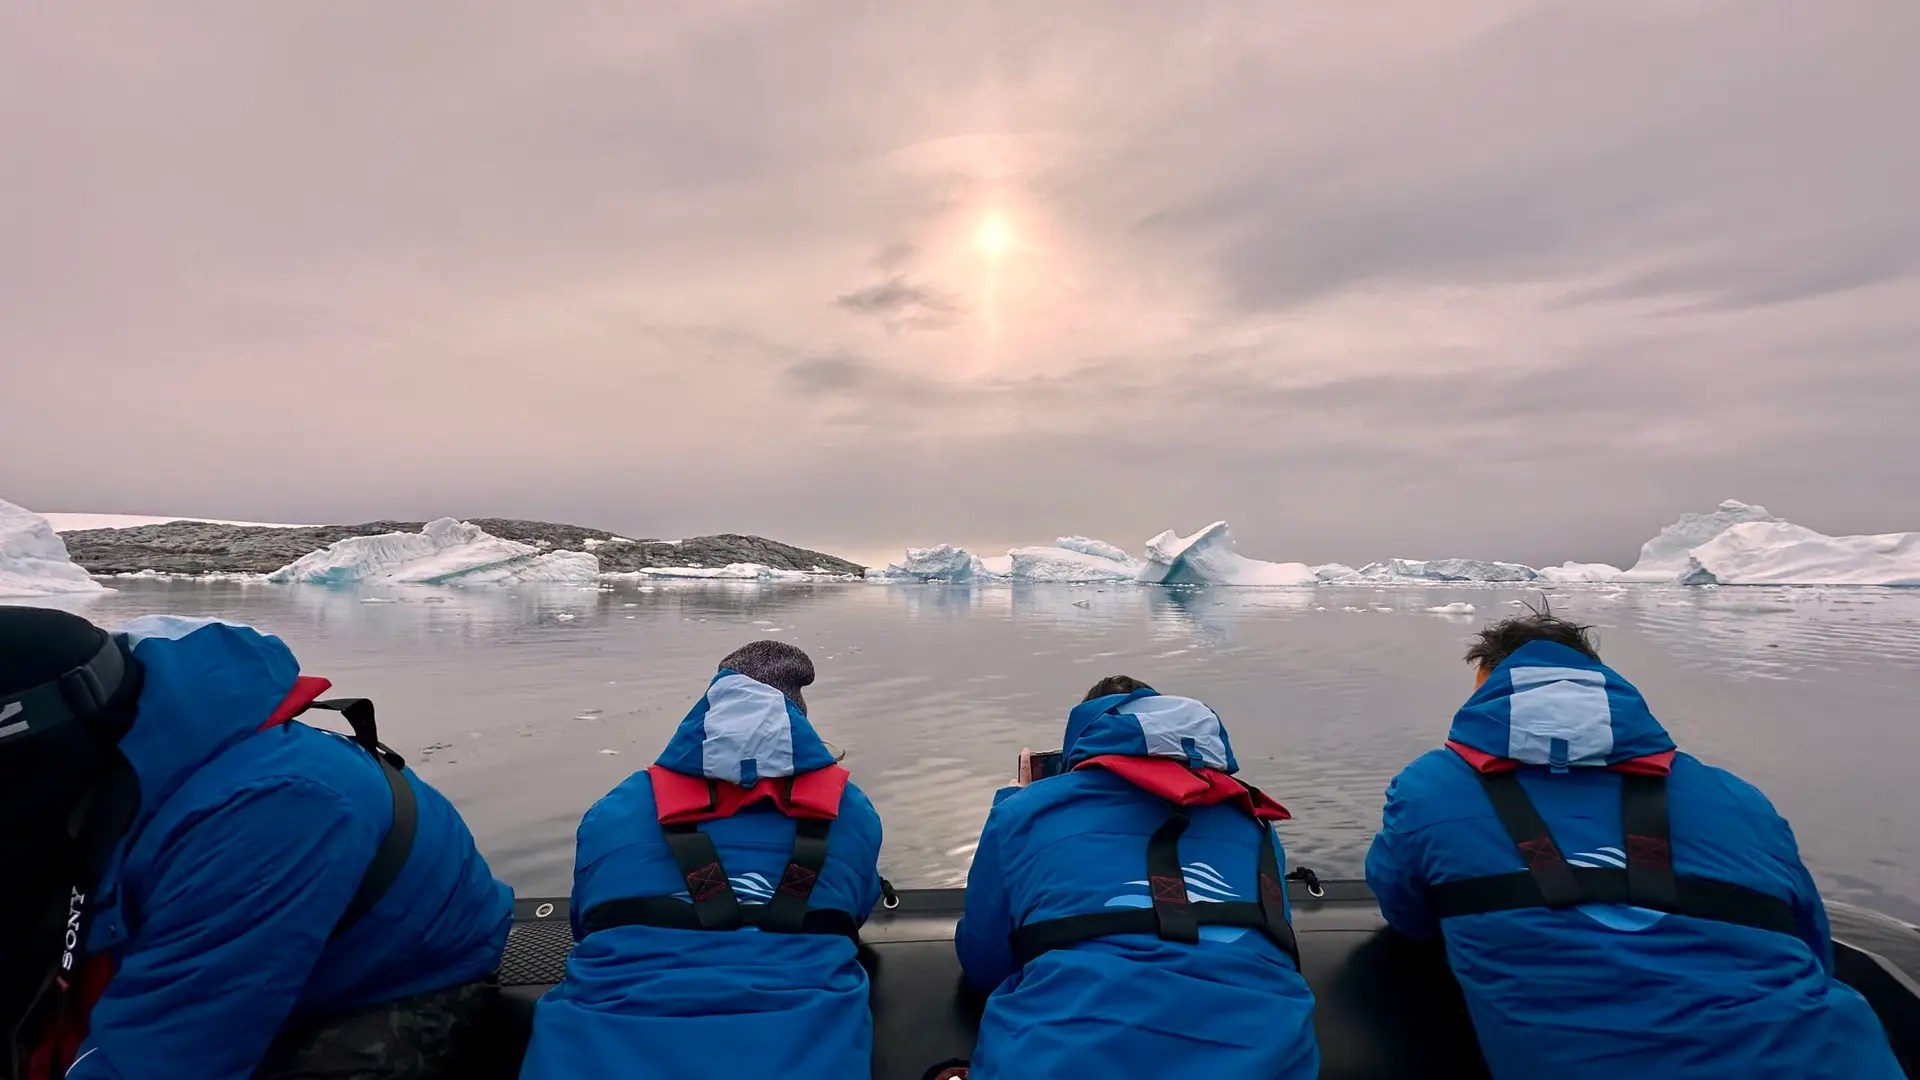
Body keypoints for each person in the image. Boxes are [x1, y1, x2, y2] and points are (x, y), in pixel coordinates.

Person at [1366, 614, 1903, 1079]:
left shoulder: (1430, 786)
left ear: (1490, 688)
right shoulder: (1734, 795)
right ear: (1599, 684)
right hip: (1837, 1057)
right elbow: (1811, 943)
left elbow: (1408, 917)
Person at [0, 608, 512, 1080]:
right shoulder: (89, 761)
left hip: (388, 983)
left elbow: (164, 1061)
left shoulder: (272, 810)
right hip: (228, 935)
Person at [519, 640, 884, 1080]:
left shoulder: (617, 809)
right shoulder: (850, 811)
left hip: (593, 1051)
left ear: (703, 721)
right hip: (799, 1051)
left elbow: (587, 923)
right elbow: (853, 916)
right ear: (796, 728)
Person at [953, 676, 1320, 1079]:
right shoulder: (1254, 821)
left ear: (1082, 740)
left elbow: (984, 963)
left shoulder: (1024, 813)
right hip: (1267, 1060)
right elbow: (1282, 950)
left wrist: (1015, 800)